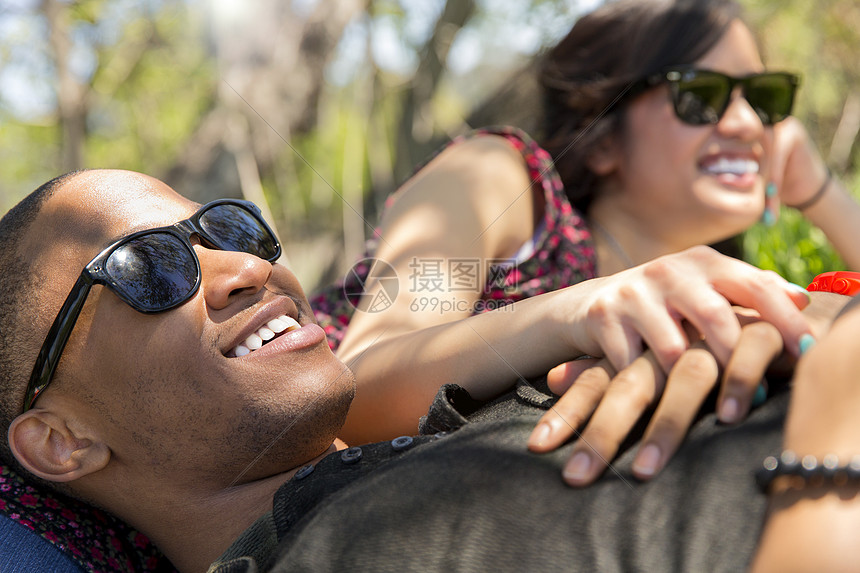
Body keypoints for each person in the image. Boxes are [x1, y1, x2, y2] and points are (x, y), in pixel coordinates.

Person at [0, 169, 826, 571]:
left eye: (231, 226)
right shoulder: (352, 547)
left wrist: (792, 333)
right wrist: (835, 417)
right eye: (147, 267)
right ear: (60, 440)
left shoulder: (463, 421)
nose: (245, 268)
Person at [310, 0, 860, 461]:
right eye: (701, 95)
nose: (746, 124)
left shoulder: (717, 295)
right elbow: (354, 388)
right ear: (600, 138)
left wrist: (818, 192)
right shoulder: (501, 178)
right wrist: (576, 312)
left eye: (764, 99)